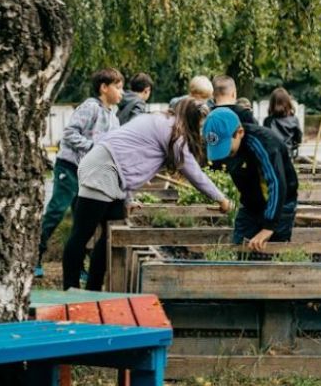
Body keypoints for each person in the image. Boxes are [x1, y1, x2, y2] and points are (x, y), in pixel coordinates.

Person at [61, 98, 232, 290]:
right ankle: (70, 288)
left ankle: (93, 288)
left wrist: (128, 199)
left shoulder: (160, 121)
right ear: (191, 119)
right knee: (82, 233)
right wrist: (221, 198)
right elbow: (194, 173)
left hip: (110, 168)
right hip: (102, 169)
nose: (200, 131)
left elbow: (131, 160)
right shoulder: (173, 133)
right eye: (200, 125)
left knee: (111, 233)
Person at [35, 68, 123, 278]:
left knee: (81, 220)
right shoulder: (90, 107)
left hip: (89, 173)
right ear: (104, 88)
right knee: (57, 209)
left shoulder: (114, 117)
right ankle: (34, 256)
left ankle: (78, 265)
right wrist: (93, 147)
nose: (122, 92)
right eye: (118, 87)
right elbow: (69, 134)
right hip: (70, 167)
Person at [202, 107, 298, 250]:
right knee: (239, 247)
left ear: (239, 133)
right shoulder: (222, 143)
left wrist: (269, 227)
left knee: (273, 253)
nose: (224, 155)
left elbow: (277, 183)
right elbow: (211, 167)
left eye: (227, 149)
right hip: (250, 205)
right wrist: (219, 197)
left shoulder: (264, 144)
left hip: (280, 204)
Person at [263, 87, 303, 159]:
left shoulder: (268, 121)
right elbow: (298, 139)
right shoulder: (294, 120)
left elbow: (265, 140)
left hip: (273, 155)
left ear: (272, 103)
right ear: (288, 102)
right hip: (288, 155)